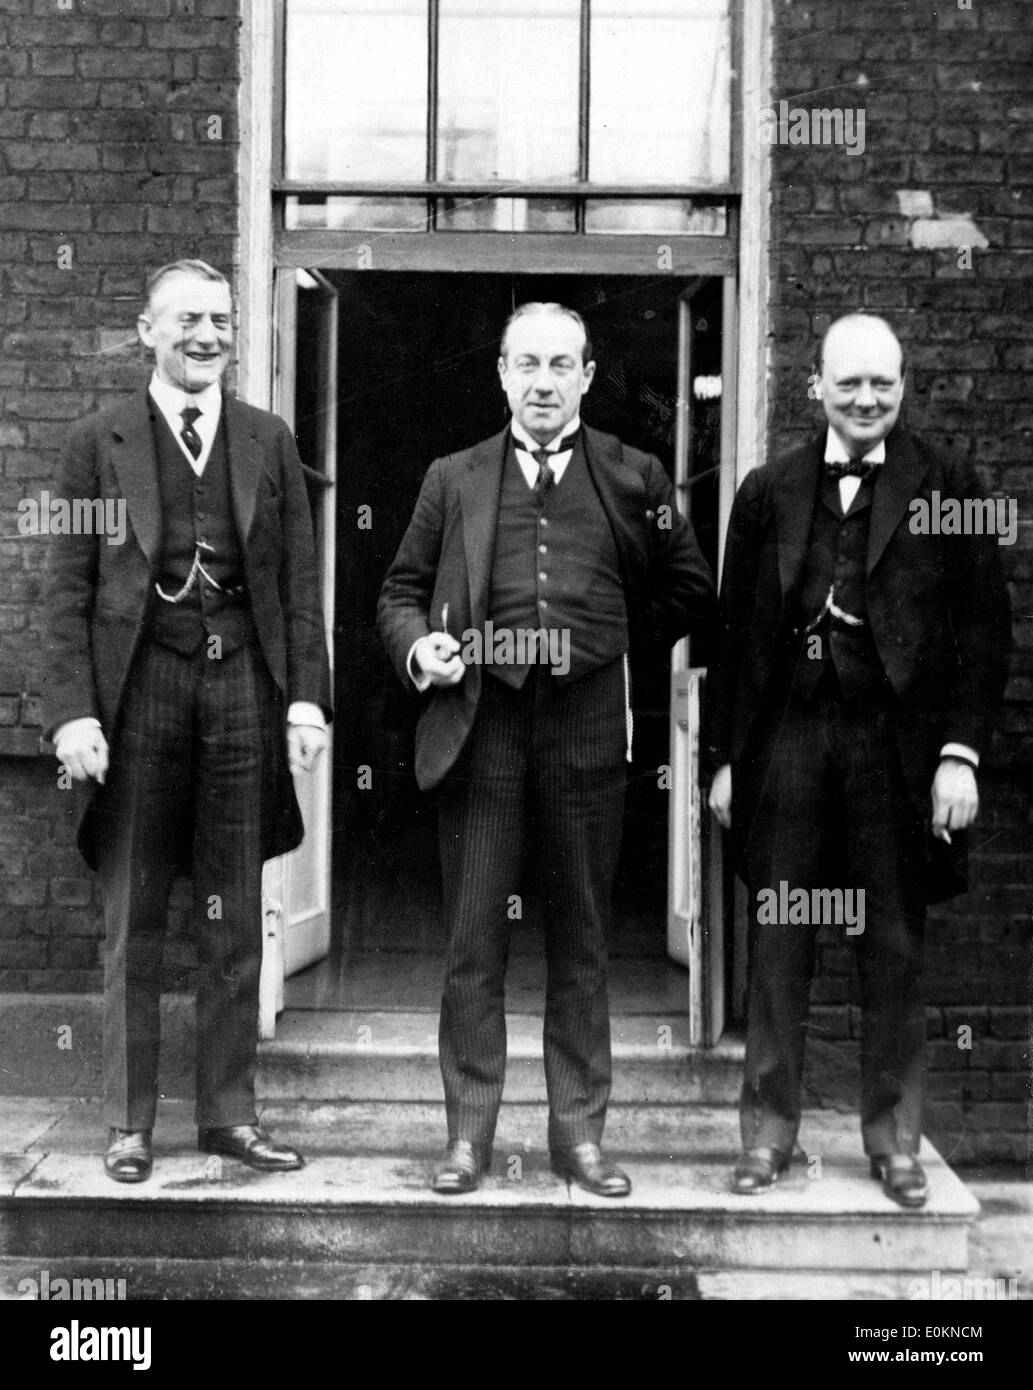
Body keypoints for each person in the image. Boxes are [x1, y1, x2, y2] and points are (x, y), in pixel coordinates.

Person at [378, 302, 714, 1196]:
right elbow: (398, 592)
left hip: (586, 728)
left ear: (588, 376)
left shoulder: (635, 475)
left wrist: (612, 636)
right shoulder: (453, 477)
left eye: (560, 365)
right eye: (526, 364)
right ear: (499, 373)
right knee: (472, 940)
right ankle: (466, 1140)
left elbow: (691, 588)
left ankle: (579, 1139)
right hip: (482, 723)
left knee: (583, 940)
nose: (542, 382)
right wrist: (422, 647)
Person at [705, 312, 1011, 1207]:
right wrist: (724, 758)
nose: (867, 398)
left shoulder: (951, 484)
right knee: (779, 941)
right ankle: (765, 1138)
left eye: (882, 383)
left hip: (897, 751)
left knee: (893, 947)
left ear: (903, 385)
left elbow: (985, 633)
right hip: (791, 745)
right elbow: (735, 636)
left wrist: (959, 755)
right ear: (817, 388)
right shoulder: (767, 490)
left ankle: (894, 1142)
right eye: (849, 384)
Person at [43, 260, 332, 1183]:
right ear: (147, 331)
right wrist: (72, 715)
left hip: (242, 689)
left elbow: (296, 585)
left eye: (220, 320)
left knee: (233, 917)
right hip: (138, 699)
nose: (206, 336)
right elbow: (66, 590)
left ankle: (227, 1118)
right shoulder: (97, 441)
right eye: (187, 321)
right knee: (134, 918)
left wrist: (304, 697)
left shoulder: (266, 438)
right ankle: (129, 1125)